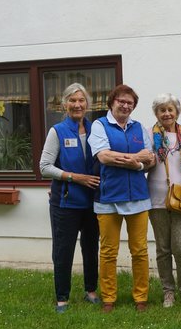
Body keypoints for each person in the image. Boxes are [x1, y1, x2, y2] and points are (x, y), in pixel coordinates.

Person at [88, 84, 156, 313]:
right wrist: (137, 158)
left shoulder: (139, 128)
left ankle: (141, 297)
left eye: (130, 103)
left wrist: (138, 162)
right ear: (112, 102)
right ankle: (108, 298)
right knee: (108, 252)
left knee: (140, 250)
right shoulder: (99, 125)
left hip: (138, 196)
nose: (126, 106)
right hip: (108, 197)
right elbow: (104, 156)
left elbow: (152, 159)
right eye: (122, 101)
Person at [39, 83, 100, 313]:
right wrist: (75, 178)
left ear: (88, 104)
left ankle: (90, 290)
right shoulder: (58, 131)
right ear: (65, 104)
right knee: (63, 250)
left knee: (91, 247)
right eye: (72, 101)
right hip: (65, 202)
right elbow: (44, 167)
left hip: (92, 202)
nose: (77, 105)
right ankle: (62, 297)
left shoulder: (97, 129)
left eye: (81, 100)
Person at [147, 93, 181, 307]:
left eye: (170, 109)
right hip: (156, 199)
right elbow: (144, 163)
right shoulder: (149, 135)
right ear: (156, 113)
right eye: (162, 110)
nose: (166, 113)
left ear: (177, 112)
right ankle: (168, 291)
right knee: (163, 249)